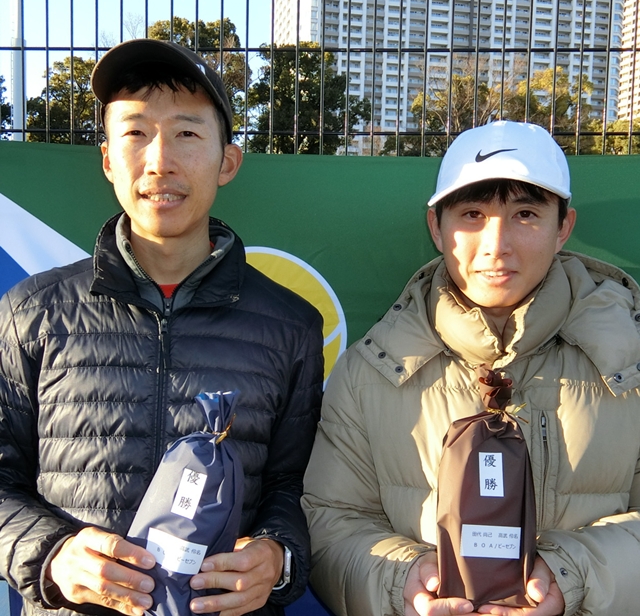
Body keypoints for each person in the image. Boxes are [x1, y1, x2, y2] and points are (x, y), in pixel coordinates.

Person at [0, 39, 324, 616]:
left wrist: (278, 559)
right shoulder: (32, 312)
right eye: (135, 133)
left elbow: (298, 489)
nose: (159, 161)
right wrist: (52, 556)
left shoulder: (291, 326)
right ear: (107, 159)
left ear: (228, 161)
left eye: (187, 133)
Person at [302, 120, 640, 616]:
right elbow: (330, 521)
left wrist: (572, 577)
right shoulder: (367, 372)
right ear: (436, 227)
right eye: (473, 214)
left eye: (526, 214)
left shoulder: (631, 362)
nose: (496, 244)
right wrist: (402, 580)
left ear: (563, 228)